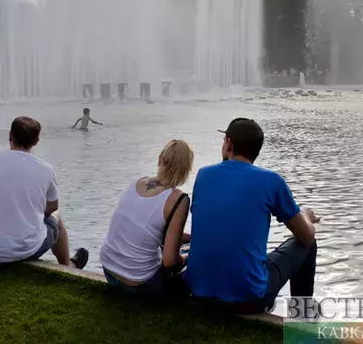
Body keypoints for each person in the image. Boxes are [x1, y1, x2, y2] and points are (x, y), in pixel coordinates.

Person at [184, 118, 320, 314]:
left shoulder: (204, 175)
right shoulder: (271, 181)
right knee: (308, 244)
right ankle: (303, 319)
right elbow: (306, 235)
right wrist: (305, 215)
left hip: (198, 292)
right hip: (247, 299)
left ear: (229, 143)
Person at [0, 116, 89, 269]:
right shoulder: (46, 169)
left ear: (9, 136)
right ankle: (68, 266)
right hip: (29, 249)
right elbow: (52, 207)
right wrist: (35, 213)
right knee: (56, 217)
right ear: (36, 141)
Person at [100, 139, 193, 296]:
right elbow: (170, 262)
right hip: (140, 283)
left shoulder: (137, 182)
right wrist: (186, 258)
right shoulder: (178, 199)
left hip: (109, 269)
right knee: (190, 264)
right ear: (186, 170)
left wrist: (192, 238)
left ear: (159, 159)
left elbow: (149, 229)